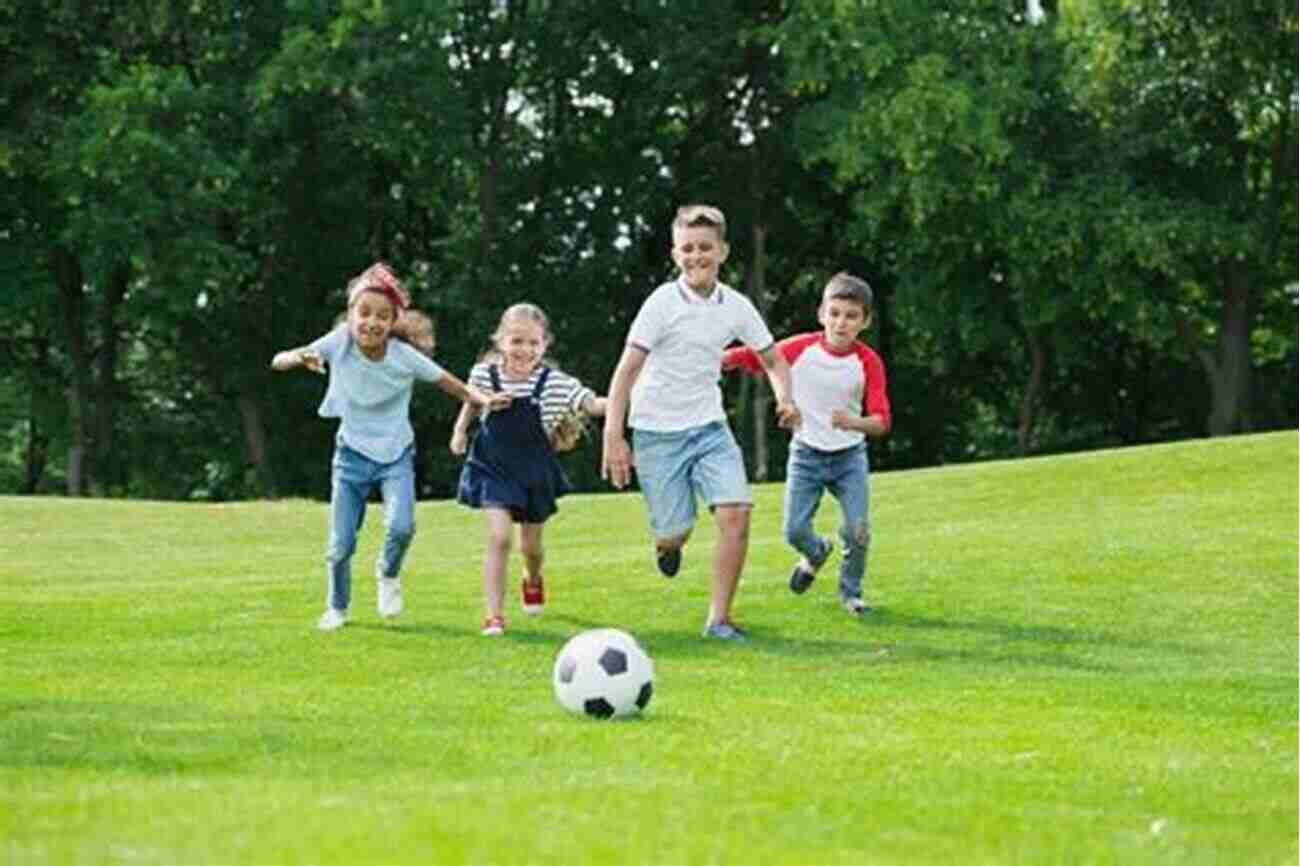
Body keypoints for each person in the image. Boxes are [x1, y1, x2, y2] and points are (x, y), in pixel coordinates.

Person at [601, 203, 800, 641]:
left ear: (723, 251)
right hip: (656, 431)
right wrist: (614, 435)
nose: (697, 256)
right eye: (687, 248)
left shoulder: (736, 306)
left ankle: (720, 620)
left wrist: (785, 398)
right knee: (675, 531)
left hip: (709, 427)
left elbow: (774, 360)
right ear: (675, 255)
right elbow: (625, 371)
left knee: (736, 513)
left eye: (705, 247)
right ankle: (667, 544)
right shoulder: (661, 304)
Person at [271, 262, 504, 631]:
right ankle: (337, 607)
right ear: (350, 315)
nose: (371, 322)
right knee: (340, 546)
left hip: (395, 455)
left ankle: (388, 572)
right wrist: (300, 357)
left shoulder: (402, 356)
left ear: (393, 321)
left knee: (401, 526)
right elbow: (279, 359)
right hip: (349, 458)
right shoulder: (339, 343)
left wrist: (484, 400)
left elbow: (453, 385)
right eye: (363, 313)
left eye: (382, 316)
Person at [722, 272, 891, 615]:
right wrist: (719, 359)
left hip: (849, 458)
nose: (841, 323)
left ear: (865, 321)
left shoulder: (868, 362)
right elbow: (758, 358)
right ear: (822, 314)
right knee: (794, 530)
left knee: (858, 530)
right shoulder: (801, 348)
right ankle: (815, 552)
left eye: (851, 316)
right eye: (835, 313)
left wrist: (852, 422)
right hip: (806, 455)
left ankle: (852, 594)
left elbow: (881, 421)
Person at [450, 302, 607, 636]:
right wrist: (460, 431)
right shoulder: (484, 374)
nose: (524, 349)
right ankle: (494, 616)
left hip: (534, 472)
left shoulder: (555, 383)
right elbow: (471, 401)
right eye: (517, 341)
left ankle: (532, 578)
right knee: (498, 537)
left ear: (544, 345)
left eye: (533, 343)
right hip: (492, 467)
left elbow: (593, 404)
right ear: (500, 341)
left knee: (531, 548)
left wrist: (631, 400)